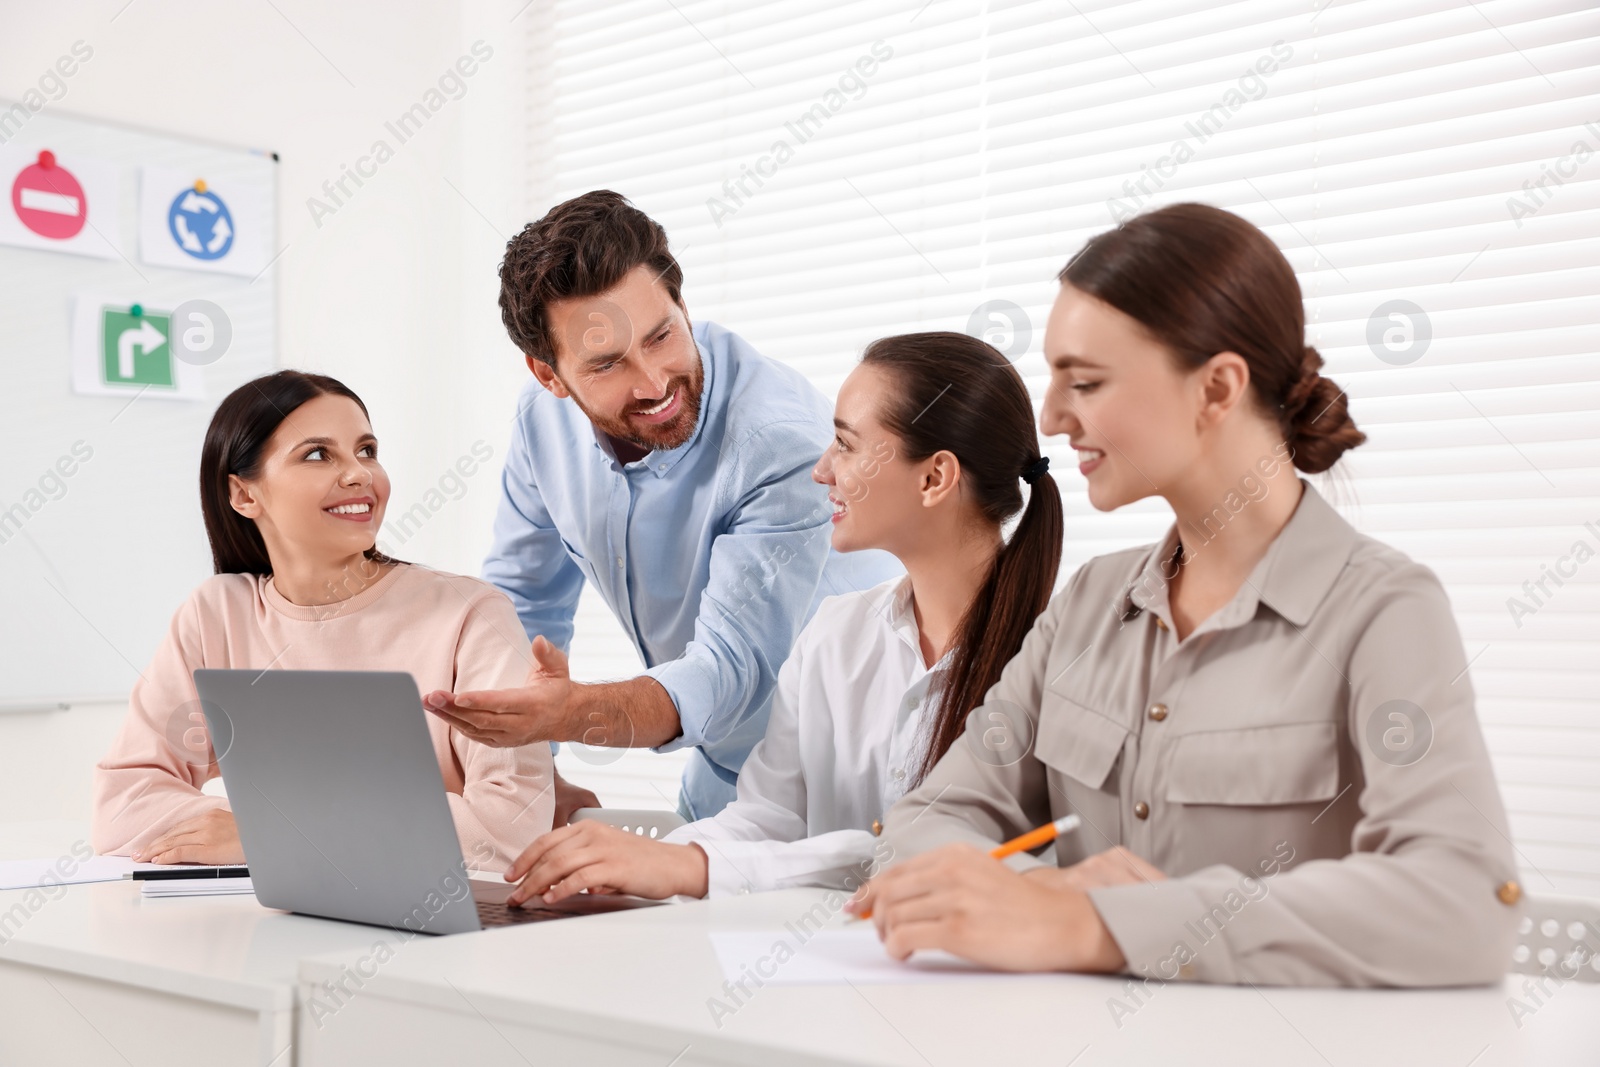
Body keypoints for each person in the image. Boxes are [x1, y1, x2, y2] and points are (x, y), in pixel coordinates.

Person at [851, 203, 1522, 987]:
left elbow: (1464, 899)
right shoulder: (1089, 605)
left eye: (1087, 380)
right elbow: (930, 819)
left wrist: (1103, 923)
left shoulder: (1383, 610)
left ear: (1216, 389)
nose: (1052, 415)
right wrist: (1036, 897)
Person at [496, 332, 1063, 905]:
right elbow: (768, 818)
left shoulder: (1062, 662)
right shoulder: (837, 634)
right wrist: (635, 862)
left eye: (845, 445)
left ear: (935, 477)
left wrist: (689, 867)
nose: (820, 470)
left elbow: (938, 858)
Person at [422, 190, 898, 822]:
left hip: (857, 783)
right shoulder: (543, 425)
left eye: (662, 335)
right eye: (607, 364)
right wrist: (527, 773)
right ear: (549, 375)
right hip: (721, 776)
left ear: (683, 305)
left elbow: (730, 671)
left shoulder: (777, 442)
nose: (654, 384)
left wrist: (572, 714)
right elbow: (524, 604)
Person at [92, 371, 554, 867]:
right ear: (244, 495)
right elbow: (123, 805)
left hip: (430, 929)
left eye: (367, 450)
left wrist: (274, 834)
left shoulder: (470, 615)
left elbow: (510, 827)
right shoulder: (216, 614)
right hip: (269, 923)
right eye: (318, 454)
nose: (360, 474)